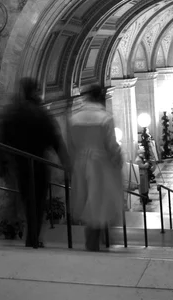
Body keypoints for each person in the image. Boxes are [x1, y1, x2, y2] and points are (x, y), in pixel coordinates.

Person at [0, 77, 70, 248]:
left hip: (19, 166)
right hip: (38, 166)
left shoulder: (12, 113)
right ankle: (32, 239)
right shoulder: (41, 113)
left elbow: (1, 140)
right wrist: (66, 163)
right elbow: (55, 140)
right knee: (37, 204)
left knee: (26, 201)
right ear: (34, 91)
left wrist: (2, 163)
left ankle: (18, 235)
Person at [68, 84, 123, 252]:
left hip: (80, 164)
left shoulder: (74, 118)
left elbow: (70, 146)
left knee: (87, 201)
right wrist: (118, 161)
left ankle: (91, 242)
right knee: (100, 203)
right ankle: (96, 242)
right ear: (100, 98)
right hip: (101, 165)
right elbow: (112, 146)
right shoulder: (105, 118)